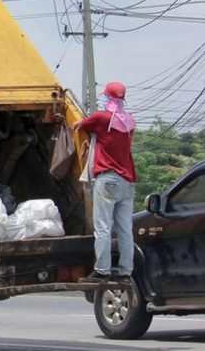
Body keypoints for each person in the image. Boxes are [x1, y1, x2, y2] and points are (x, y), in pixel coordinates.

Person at [73, 81, 137, 283]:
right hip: (127, 182)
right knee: (125, 230)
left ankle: (102, 270)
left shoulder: (101, 118)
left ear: (107, 98)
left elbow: (77, 125)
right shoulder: (130, 122)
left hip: (108, 180)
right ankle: (126, 271)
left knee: (102, 227)